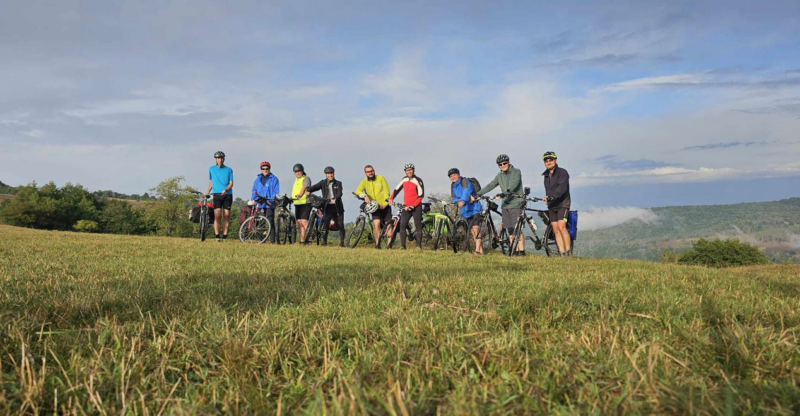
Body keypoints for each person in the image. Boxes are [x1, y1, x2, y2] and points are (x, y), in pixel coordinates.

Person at [471, 154, 525, 255]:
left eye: (504, 163)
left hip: (516, 203)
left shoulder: (516, 172)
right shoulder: (499, 176)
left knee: (516, 229)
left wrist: (503, 194)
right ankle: (514, 251)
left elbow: (513, 185)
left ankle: (521, 252)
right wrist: (477, 194)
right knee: (509, 229)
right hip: (505, 205)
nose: (503, 165)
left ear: (508, 162)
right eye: (500, 164)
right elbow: (490, 185)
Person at [541, 151, 572, 256]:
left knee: (561, 226)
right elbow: (548, 190)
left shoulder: (563, 172)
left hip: (563, 203)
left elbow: (562, 187)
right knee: (555, 229)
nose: (548, 162)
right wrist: (547, 198)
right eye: (546, 161)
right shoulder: (546, 176)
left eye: (551, 160)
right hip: (552, 205)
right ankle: (561, 252)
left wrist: (552, 197)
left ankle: (568, 252)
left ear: (555, 160)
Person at [355, 165, 392, 249]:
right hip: (374, 207)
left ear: (374, 171)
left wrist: (384, 203)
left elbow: (387, 191)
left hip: (384, 206)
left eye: (371, 171)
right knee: (376, 224)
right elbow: (358, 191)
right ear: (365, 173)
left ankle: (389, 245)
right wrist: (364, 196)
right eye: (368, 172)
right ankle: (377, 244)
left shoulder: (381, 178)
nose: (370, 173)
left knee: (388, 225)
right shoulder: (364, 182)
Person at [307, 166, 346, 246]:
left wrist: (335, 199)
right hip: (328, 207)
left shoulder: (338, 183)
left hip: (338, 207)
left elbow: (339, 193)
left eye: (331, 173)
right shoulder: (323, 183)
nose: (330, 175)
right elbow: (315, 187)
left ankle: (342, 243)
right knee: (326, 224)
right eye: (328, 174)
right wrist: (308, 190)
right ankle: (324, 242)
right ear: (326, 175)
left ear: (333, 174)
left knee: (340, 225)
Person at [389, 163, 424, 249]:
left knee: (418, 225)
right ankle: (402, 246)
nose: (409, 171)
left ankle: (419, 246)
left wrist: (414, 205)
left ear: (414, 170)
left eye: (410, 170)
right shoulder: (404, 179)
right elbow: (396, 190)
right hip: (406, 206)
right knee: (403, 225)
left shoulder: (418, 180)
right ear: (405, 171)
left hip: (416, 207)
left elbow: (421, 195)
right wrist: (391, 198)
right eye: (407, 170)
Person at [449, 168, 484, 255]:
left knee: (476, 228)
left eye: (454, 175)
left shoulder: (464, 181)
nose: (453, 177)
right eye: (451, 176)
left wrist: (463, 200)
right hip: (466, 210)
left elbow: (466, 191)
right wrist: (458, 201)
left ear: (458, 175)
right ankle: (481, 251)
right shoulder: (453, 185)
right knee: (472, 231)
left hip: (474, 208)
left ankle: (476, 250)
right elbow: (454, 197)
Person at [205, 151, 234, 242]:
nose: (220, 160)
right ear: (215, 159)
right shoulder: (211, 169)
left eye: (221, 158)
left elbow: (231, 183)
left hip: (227, 195)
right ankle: (217, 236)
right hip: (216, 195)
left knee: (226, 215)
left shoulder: (229, 170)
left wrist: (226, 190)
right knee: (217, 215)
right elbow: (211, 182)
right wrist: (207, 192)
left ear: (224, 159)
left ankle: (224, 237)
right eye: (218, 158)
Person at [250, 161, 279, 243]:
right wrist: (253, 199)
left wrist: (271, 200)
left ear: (269, 169)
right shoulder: (257, 180)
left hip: (269, 203)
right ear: (261, 169)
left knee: (270, 221)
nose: (265, 170)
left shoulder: (274, 179)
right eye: (263, 168)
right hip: (260, 203)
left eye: (267, 168)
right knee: (260, 222)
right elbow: (254, 190)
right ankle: (262, 239)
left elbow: (276, 191)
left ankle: (272, 240)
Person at [292, 164, 312, 243]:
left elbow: (304, 187)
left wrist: (300, 194)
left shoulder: (306, 178)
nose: (297, 173)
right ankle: (302, 239)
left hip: (305, 202)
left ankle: (304, 240)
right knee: (299, 222)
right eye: (295, 172)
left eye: (299, 171)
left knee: (304, 221)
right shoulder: (296, 180)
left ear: (302, 171)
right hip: (297, 203)